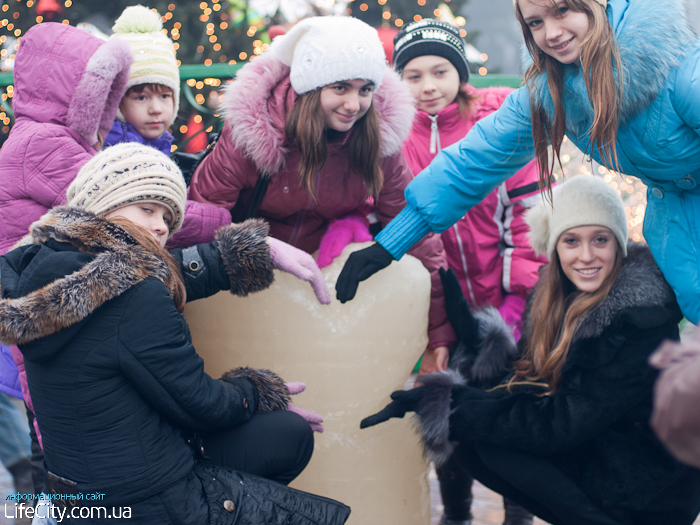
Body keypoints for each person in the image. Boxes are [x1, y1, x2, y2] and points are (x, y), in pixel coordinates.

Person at [0, 143, 348, 524]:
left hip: (78, 498)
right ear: (101, 207)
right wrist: (259, 392)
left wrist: (240, 254)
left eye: (167, 215)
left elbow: (150, 277)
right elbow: (202, 403)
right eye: (147, 208)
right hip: (147, 503)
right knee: (288, 435)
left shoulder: (42, 269)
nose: (161, 226)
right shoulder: (135, 294)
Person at [335, 0, 700, 332]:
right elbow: (476, 159)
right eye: (536, 23)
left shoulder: (679, 69)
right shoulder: (553, 86)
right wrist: (390, 243)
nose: (551, 34)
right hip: (674, 218)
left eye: (562, 11)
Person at [361, 175, 700, 525]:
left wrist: (456, 407)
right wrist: (476, 347)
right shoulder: (551, 299)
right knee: (470, 436)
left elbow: (560, 424)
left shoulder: (640, 320)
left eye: (600, 239)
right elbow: (529, 382)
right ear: (555, 247)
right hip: (605, 451)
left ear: (617, 244)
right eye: (572, 241)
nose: (586, 256)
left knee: (488, 434)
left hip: (654, 484)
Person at [188, 15, 456, 357]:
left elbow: (413, 228)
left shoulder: (377, 135)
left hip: (323, 273)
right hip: (244, 273)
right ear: (309, 86)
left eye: (365, 90)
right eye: (340, 87)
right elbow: (202, 221)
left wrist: (439, 335)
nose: (353, 105)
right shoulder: (253, 133)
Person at [393, 19, 545, 525]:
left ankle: (519, 511)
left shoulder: (497, 126)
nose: (429, 86)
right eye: (412, 76)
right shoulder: (394, 142)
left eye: (439, 71)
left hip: (507, 302)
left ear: (460, 73)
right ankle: (455, 512)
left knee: (512, 406)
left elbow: (523, 225)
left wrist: (513, 310)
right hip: (439, 306)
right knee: (445, 411)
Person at [104, 4, 232, 248]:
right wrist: (222, 220)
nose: (156, 108)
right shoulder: (117, 150)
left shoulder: (154, 143)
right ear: (118, 101)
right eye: (141, 97)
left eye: (164, 96)